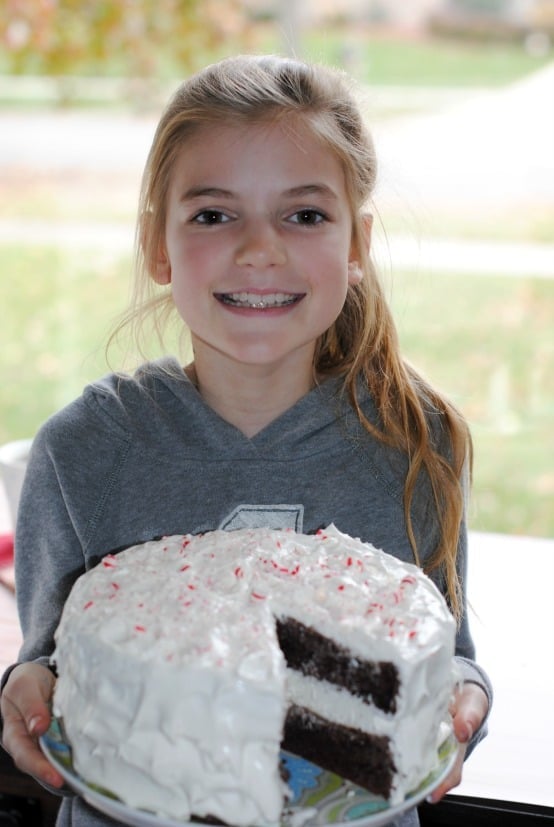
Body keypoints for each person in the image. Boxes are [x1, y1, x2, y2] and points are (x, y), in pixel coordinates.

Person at [0, 54, 492, 827]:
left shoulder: (413, 442)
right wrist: (23, 688)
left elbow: (447, 655)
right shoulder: (83, 451)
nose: (260, 249)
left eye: (303, 215)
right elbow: (55, 664)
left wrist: (465, 702)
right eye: (213, 213)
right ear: (158, 245)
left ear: (356, 244)